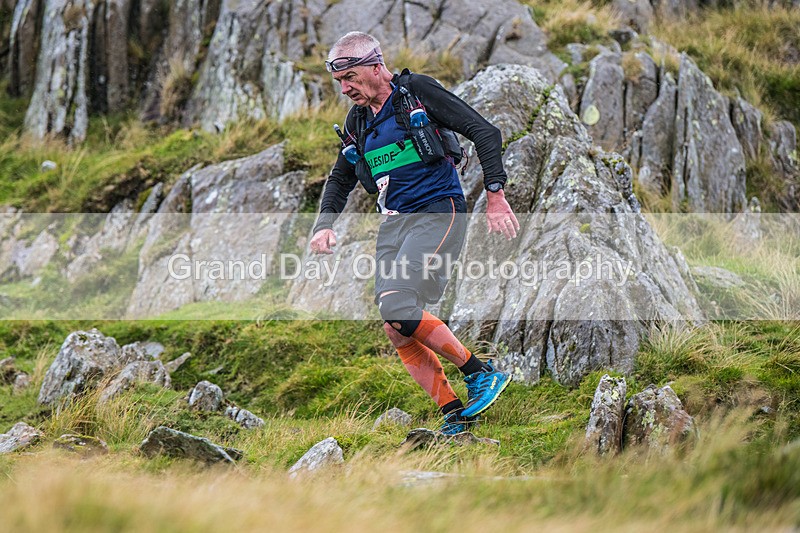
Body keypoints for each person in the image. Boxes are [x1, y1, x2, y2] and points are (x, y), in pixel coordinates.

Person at [310, 31, 520, 435]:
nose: (345, 88)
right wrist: (324, 226)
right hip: (394, 225)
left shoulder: (415, 92)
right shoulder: (357, 121)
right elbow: (339, 179)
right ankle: (455, 415)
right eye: (339, 82)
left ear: (376, 66)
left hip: (437, 211)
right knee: (395, 325)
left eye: (350, 77)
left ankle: (481, 373)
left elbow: (485, 131)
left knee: (395, 305)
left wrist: (495, 194)